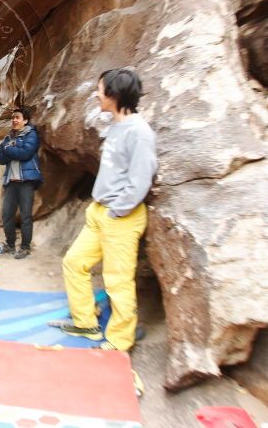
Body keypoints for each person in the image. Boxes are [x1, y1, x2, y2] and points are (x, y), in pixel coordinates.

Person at [58, 68, 157, 351]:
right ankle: (85, 321)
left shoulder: (139, 133)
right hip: (99, 212)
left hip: (120, 217)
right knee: (74, 263)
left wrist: (118, 211)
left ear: (114, 94)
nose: (96, 94)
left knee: (117, 281)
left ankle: (119, 341)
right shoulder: (116, 126)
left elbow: (141, 179)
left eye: (100, 89)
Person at [0, 107, 43, 260]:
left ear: (25, 120)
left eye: (18, 117)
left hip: (26, 182)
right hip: (11, 182)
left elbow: (26, 153)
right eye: (13, 117)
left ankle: (25, 247)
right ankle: (10, 245)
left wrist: (8, 149)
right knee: (7, 215)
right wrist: (11, 148)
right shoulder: (9, 138)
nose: (14, 120)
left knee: (25, 216)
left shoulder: (31, 135)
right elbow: (0, 158)